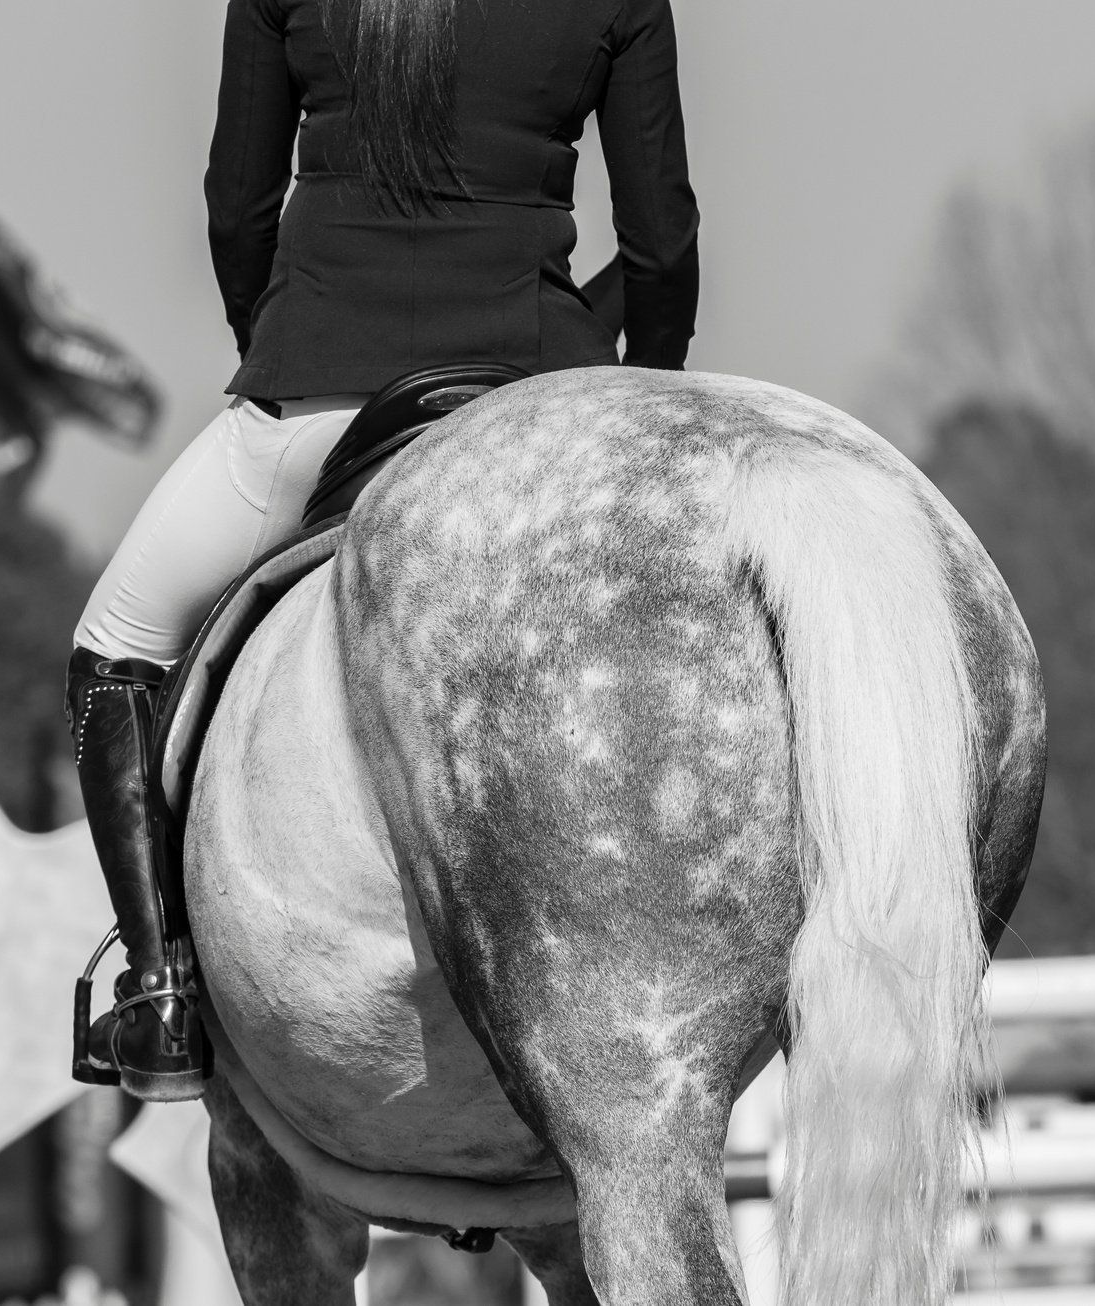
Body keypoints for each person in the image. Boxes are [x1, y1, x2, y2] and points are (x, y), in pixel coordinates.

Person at [66, 0, 698, 1100]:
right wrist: (640, 388)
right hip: (538, 388)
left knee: (115, 644)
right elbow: (662, 243)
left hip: (323, 383)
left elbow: (236, 207)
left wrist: (286, 343)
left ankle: (164, 991)